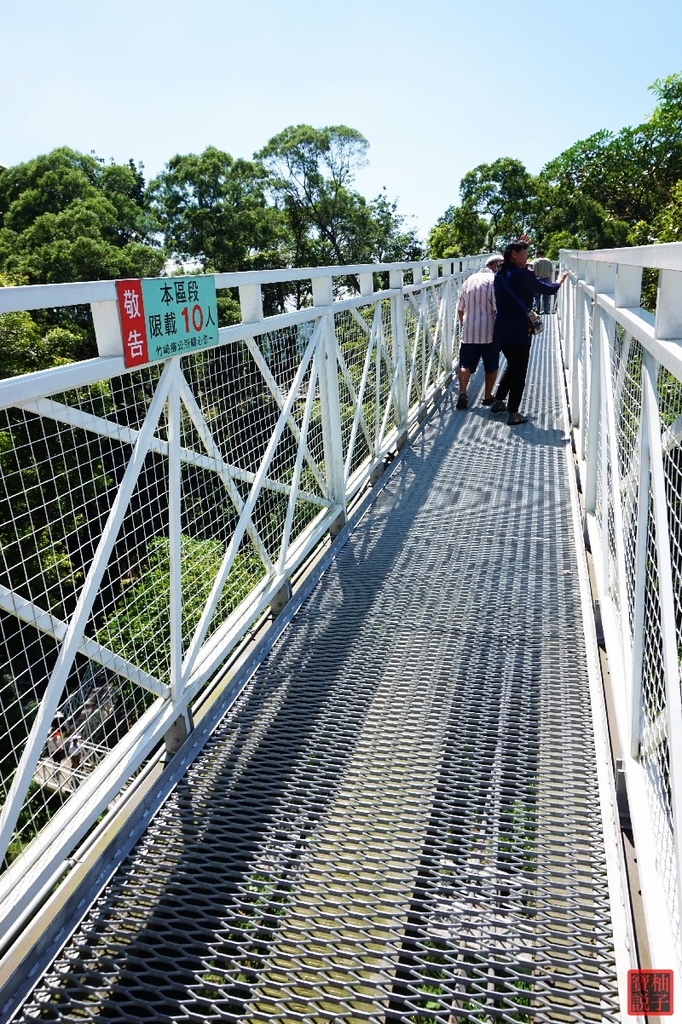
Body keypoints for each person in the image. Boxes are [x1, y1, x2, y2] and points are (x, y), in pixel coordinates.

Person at [489, 239, 568, 426]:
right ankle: (513, 413)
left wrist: (516, 243)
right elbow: (547, 289)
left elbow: (508, 266)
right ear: (515, 254)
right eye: (524, 253)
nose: (527, 257)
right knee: (520, 372)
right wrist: (559, 280)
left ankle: (499, 401)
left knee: (512, 364)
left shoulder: (500, 273)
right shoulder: (524, 275)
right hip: (519, 330)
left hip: (501, 330)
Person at [455, 253, 503, 410]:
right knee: (491, 365)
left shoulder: (469, 280)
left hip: (469, 331)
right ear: (495, 266)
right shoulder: (494, 281)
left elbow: (460, 309)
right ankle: (487, 397)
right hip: (488, 332)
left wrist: (464, 324)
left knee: (465, 364)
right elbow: (498, 309)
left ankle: (463, 393)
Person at [533, 249, 554, 314]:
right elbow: (551, 272)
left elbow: (535, 273)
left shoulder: (536, 261)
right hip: (547, 279)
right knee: (546, 297)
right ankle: (546, 311)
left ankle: (536, 309)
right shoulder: (549, 261)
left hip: (538, 279)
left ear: (539, 254)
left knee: (537, 297)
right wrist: (550, 281)